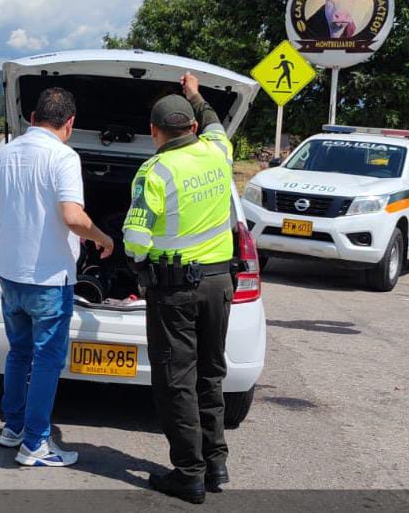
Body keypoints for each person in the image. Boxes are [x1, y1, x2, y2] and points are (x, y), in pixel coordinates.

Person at [0, 87, 115, 467]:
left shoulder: (5, 152)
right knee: (47, 359)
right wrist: (102, 238)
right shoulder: (64, 157)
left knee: (19, 353)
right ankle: (35, 443)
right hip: (49, 278)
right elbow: (71, 217)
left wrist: (23, 219)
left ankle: (13, 427)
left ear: (33, 118)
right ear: (69, 123)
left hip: (9, 274)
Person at [123, 72, 235, 504]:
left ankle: (188, 473)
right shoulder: (218, 152)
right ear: (190, 127)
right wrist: (195, 93)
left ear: (154, 132)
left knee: (177, 381)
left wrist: (139, 267)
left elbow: (136, 239)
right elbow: (215, 123)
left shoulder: (153, 171)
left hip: (175, 293)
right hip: (220, 284)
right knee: (211, 374)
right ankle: (216, 463)